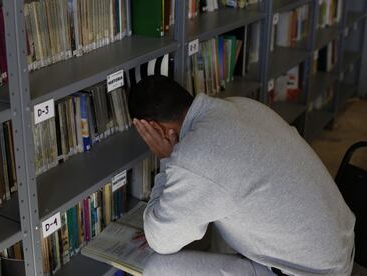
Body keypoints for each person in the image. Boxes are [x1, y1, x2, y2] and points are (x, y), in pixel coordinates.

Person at [127, 75, 355, 276]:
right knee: (218, 208)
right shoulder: (241, 105)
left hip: (311, 272)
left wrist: (167, 158)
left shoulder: (195, 157)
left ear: (158, 131)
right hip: (338, 248)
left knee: (156, 269)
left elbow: (162, 242)